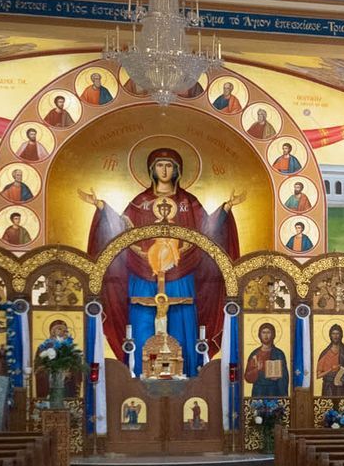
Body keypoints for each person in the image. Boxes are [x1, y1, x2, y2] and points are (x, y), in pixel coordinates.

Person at [81, 146, 242, 375]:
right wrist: (102, 209)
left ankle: (187, 377)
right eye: (159, 165)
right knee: (141, 318)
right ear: (151, 170)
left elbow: (206, 231)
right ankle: (138, 375)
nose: (164, 170)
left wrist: (225, 210)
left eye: (169, 166)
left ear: (177, 170)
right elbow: (122, 231)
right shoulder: (140, 202)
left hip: (180, 272)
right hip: (142, 272)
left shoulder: (189, 201)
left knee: (182, 319)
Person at [243, 321, 289, 398]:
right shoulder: (254, 354)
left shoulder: (279, 354)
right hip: (258, 391)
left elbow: (285, 376)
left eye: (268, 332)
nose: (266, 335)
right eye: (263, 332)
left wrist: (279, 377)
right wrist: (257, 369)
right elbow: (247, 377)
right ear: (259, 335)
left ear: (273, 335)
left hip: (274, 391)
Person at [315, 323, 344, 398]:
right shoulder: (325, 353)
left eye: (337, 334)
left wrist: (340, 378)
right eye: (333, 334)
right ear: (330, 335)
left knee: (341, 408)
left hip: (341, 387)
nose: (335, 336)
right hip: (328, 388)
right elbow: (318, 375)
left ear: (341, 335)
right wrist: (331, 370)